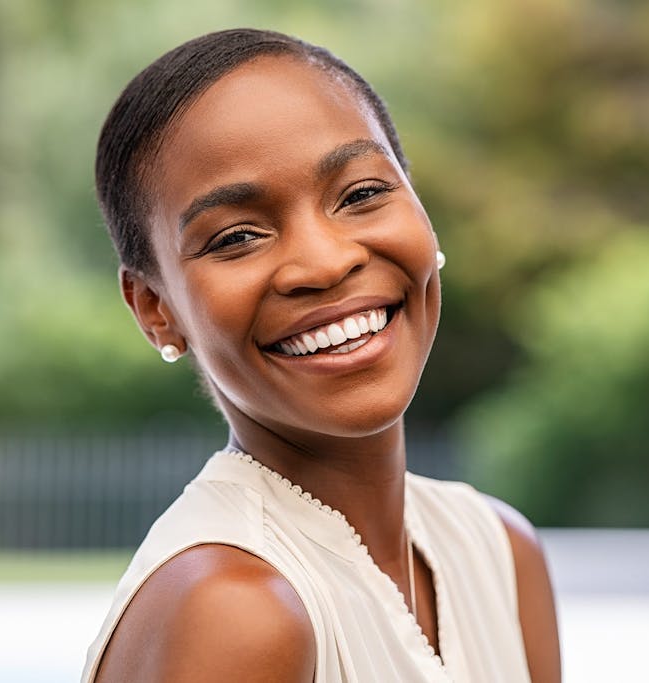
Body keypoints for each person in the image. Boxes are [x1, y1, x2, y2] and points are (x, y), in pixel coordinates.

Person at [82, 28, 560, 683]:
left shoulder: (499, 551)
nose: (327, 262)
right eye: (237, 236)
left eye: (361, 194)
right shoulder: (234, 608)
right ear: (155, 308)